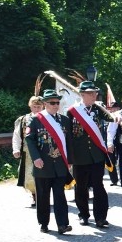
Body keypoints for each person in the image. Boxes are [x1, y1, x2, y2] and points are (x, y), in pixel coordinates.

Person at [24, 89, 73, 234]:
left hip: (59, 164)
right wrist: (36, 158)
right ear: (45, 104)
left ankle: (63, 224)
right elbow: (29, 139)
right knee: (43, 196)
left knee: (60, 195)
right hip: (43, 164)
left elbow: (69, 142)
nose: (55, 105)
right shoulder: (35, 120)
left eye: (57, 102)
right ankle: (44, 223)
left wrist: (69, 160)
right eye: (52, 103)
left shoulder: (64, 120)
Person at [68, 81, 112, 228]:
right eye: (90, 93)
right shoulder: (72, 112)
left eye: (95, 93)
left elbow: (112, 118)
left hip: (96, 155)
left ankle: (100, 217)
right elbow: (67, 134)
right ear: (82, 95)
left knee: (98, 187)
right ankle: (83, 215)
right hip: (80, 156)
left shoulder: (99, 109)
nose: (94, 95)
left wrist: (118, 117)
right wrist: (69, 156)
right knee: (81, 187)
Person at [13, 95, 43, 208]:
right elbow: (17, 136)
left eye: (39, 106)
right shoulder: (23, 120)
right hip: (28, 152)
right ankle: (35, 196)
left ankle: (43, 196)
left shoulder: (47, 119)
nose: (36, 109)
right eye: (34, 106)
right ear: (30, 106)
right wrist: (16, 149)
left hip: (44, 151)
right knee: (30, 176)